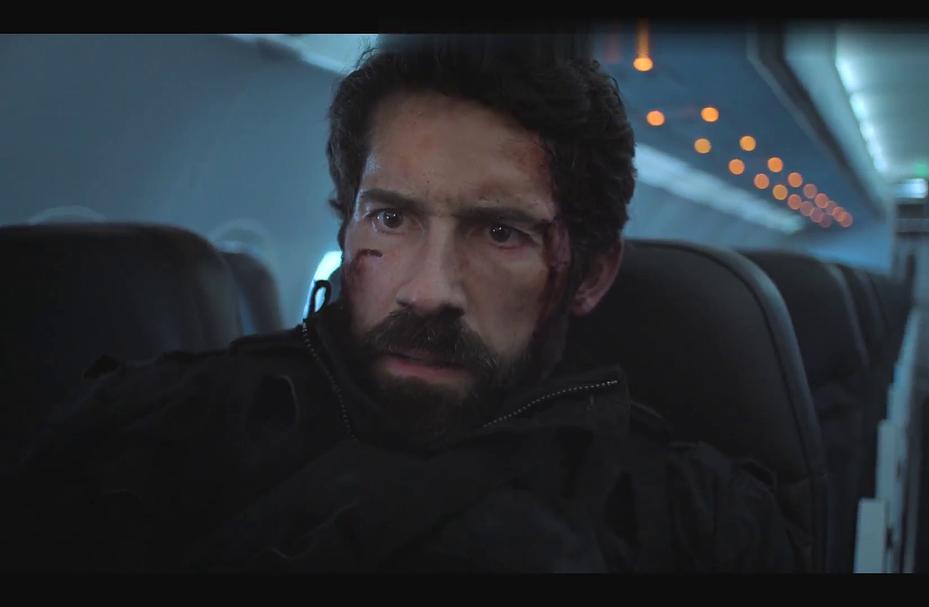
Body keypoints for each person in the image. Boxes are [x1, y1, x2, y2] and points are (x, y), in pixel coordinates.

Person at [1, 33, 805, 572]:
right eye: (392, 218)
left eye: (500, 232)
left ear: (590, 274)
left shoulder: (698, 522)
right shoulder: (146, 437)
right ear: (347, 226)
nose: (428, 292)